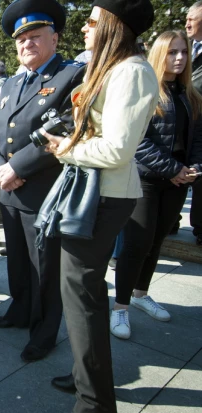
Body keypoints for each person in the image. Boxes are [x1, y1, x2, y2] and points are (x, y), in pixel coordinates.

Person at [41, 1, 158, 411]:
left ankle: (93, 402)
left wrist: (67, 148)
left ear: (113, 25)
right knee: (81, 292)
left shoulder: (133, 71)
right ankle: (83, 377)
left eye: (92, 22)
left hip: (105, 197)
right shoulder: (114, 68)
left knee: (82, 296)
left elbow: (118, 149)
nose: (85, 29)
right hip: (97, 193)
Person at [0, 0, 86, 363]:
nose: (27, 44)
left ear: (55, 39)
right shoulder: (7, 84)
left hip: (44, 191)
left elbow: (67, 127)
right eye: (21, 39)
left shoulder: (71, 76)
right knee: (18, 263)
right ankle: (20, 310)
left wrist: (17, 168)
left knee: (45, 269)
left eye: (36, 36)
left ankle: (43, 331)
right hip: (9, 190)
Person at [108, 30, 202, 340]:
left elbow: (198, 139)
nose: (179, 58)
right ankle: (120, 307)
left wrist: (193, 168)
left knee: (156, 242)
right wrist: (174, 169)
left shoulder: (191, 95)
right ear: (160, 54)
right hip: (146, 179)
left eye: (184, 52)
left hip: (176, 181)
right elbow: (137, 142)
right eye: (173, 52)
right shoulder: (147, 92)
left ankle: (140, 294)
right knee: (136, 244)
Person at [186, 1, 202, 245]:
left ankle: (200, 227)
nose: (187, 22)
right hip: (184, 120)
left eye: (192, 18)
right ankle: (170, 223)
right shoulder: (185, 47)